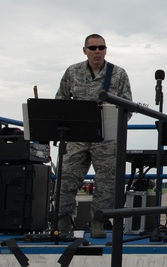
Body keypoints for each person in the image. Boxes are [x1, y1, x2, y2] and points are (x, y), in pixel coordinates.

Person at [55, 34, 132, 239]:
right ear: (85, 50)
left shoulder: (118, 74)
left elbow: (128, 106)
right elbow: (60, 100)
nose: (97, 51)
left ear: (106, 50)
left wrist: (114, 117)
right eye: (93, 48)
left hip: (105, 137)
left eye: (101, 47)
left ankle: (98, 221)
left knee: (107, 181)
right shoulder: (72, 72)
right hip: (77, 137)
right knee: (66, 177)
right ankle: (62, 220)